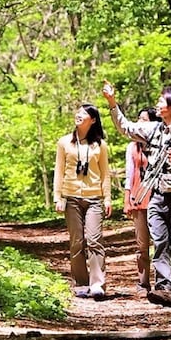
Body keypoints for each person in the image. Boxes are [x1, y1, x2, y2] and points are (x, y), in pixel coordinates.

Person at [102, 82, 171, 307]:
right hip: (156, 195)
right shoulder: (154, 129)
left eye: (161, 101)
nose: (157, 104)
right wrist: (112, 103)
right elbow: (126, 128)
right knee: (160, 242)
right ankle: (163, 288)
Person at [53, 103, 112, 300]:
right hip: (71, 197)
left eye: (84, 113)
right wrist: (58, 197)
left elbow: (105, 174)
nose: (79, 115)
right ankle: (81, 283)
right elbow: (59, 172)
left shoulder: (100, 145)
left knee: (95, 239)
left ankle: (97, 284)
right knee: (77, 242)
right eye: (77, 111)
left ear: (93, 120)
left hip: (94, 198)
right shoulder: (64, 143)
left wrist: (108, 198)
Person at [124, 107, 159, 296]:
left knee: (161, 241)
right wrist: (127, 199)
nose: (139, 123)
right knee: (141, 243)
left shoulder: (160, 143)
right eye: (138, 119)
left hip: (158, 195)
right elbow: (129, 174)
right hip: (138, 196)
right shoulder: (132, 146)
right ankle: (143, 281)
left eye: (144, 120)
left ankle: (163, 281)